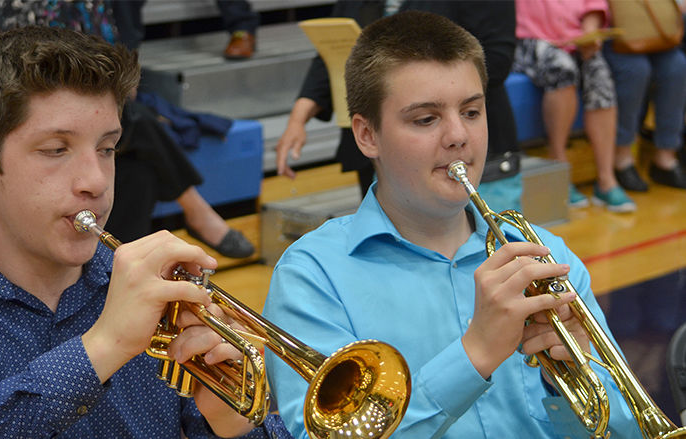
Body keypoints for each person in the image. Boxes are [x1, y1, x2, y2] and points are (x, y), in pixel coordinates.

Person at [263, 11, 641, 438]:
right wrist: (474, 353)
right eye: (426, 119)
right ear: (367, 136)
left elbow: (628, 430)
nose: (459, 135)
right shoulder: (312, 277)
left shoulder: (546, 256)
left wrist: (570, 377)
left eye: (472, 111)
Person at [0, 26, 289, 438]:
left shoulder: (156, 295)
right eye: (56, 149)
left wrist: (230, 422)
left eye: (106, 149)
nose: (96, 180)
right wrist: (103, 348)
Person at [0, 0, 256, 258]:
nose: (97, 182)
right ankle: (196, 211)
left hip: (96, 103)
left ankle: (115, 272)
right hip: (36, 105)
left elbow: (114, 56)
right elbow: (16, 75)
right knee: (137, 120)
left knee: (140, 173)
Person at [276, 0, 523, 213]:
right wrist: (298, 119)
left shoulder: (456, 132)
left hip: (476, 160)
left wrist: (421, 95)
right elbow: (334, 53)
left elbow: (498, 56)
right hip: (380, 149)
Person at [513, 0, 635, 212]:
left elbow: (594, 5)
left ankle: (606, 180)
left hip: (575, 38)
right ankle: (559, 165)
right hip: (529, 39)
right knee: (563, 69)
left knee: (600, 77)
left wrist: (590, 33)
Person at [602, 37, 686, 190]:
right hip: (618, 38)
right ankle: (622, 156)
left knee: (677, 66)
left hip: (657, 34)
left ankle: (666, 157)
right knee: (636, 70)